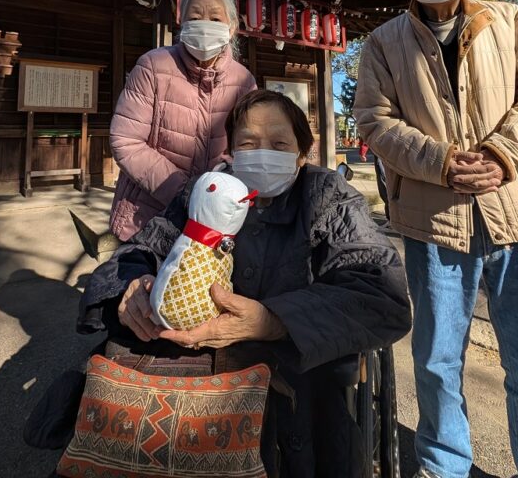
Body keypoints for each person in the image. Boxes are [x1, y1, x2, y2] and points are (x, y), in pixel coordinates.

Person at [80, 89, 411, 477]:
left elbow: (381, 294)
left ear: (302, 153)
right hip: (183, 386)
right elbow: (139, 250)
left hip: (293, 385)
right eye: (248, 143)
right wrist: (130, 288)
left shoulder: (327, 198)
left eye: (279, 143)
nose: (262, 152)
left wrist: (274, 320)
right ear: (231, 152)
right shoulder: (202, 192)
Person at [354, 0, 518, 478]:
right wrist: (441, 162)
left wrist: (502, 155)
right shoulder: (384, 43)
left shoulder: (511, 20)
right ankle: (443, 466)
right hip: (434, 219)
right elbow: (373, 120)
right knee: (434, 361)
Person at [107, 0, 256, 240]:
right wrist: (184, 191)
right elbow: (126, 140)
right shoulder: (153, 66)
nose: (205, 25)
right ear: (182, 23)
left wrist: (218, 188)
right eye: (196, 17)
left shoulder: (244, 82)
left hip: (213, 221)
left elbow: (248, 147)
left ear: (232, 28)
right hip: (146, 218)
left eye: (215, 19)